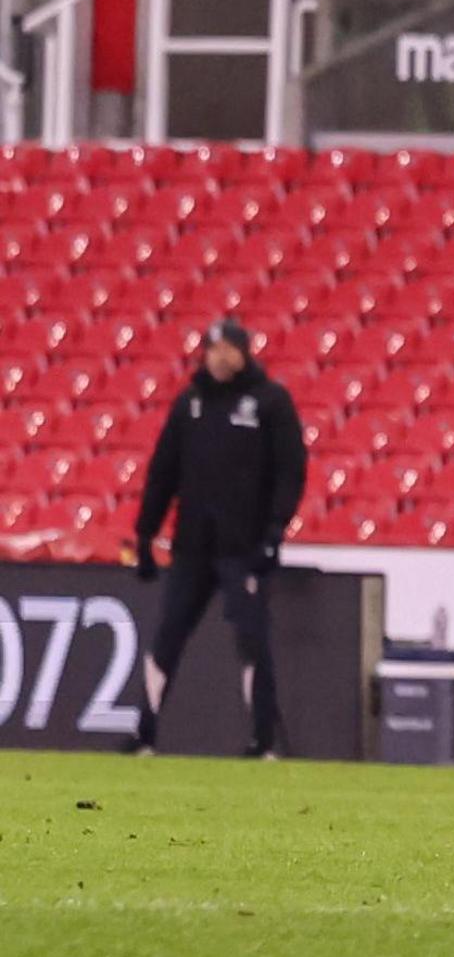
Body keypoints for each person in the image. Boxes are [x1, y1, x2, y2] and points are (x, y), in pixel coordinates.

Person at [123, 318, 306, 759]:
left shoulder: (270, 402)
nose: (219, 357)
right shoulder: (189, 404)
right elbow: (163, 472)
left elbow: (290, 471)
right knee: (168, 635)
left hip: (243, 548)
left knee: (250, 640)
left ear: (244, 352)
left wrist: (274, 531)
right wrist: (146, 534)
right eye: (212, 349)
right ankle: (144, 733)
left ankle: (263, 741)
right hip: (193, 546)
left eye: (227, 349)